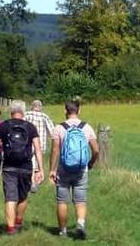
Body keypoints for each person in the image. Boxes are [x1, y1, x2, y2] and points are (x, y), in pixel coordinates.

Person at [0, 100, 44, 235]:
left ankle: (10, 228)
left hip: (9, 167)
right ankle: (18, 221)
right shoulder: (30, 127)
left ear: (11, 111)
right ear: (24, 111)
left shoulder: (4, 126)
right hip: (26, 166)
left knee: (10, 197)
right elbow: (37, 149)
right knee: (23, 196)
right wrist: (40, 169)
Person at [50, 100, 99, 240]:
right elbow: (96, 150)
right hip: (81, 169)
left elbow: (55, 150)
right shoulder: (87, 127)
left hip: (63, 169)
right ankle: (80, 224)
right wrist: (90, 163)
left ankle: (63, 231)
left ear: (65, 111)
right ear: (79, 110)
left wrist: (52, 170)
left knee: (62, 201)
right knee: (80, 200)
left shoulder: (59, 128)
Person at [24, 100, 55, 193]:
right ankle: (34, 183)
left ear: (31, 106)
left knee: (30, 162)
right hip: (40, 144)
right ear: (40, 107)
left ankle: (32, 182)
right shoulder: (45, 116)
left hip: (27, 143)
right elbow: (52, 132)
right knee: (36, 163)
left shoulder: (26, 115)